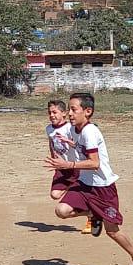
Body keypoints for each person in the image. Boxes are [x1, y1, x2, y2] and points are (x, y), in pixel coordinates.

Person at [43, 92, 133, 265]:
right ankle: (94, 215)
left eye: (73, 109)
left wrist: (68, 165)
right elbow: (78, 147)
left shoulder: (90, 132)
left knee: (112, 231)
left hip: (103, 188)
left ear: (87, 111)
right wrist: (71, 145)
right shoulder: (74, 129)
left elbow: (94, 163)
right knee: (61, 210)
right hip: (84, 183)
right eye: (69, 109)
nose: (70, 113)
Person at [45, 99, 91, 233]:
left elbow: (79, 144)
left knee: (76, 195)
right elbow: (51, 143)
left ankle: (91, 215)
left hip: (74, 167)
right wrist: (54, 159)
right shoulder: (49, 129)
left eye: (55, 112)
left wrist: (71, 143)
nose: (52, 115)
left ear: (64, 113)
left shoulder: (70, 128)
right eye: (49, 113)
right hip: (61, 168)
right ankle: (89, 210)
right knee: (54, 194)